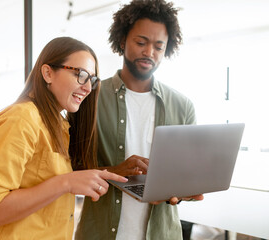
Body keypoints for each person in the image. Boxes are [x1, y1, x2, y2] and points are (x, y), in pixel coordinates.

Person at [0, 37, 127, 240]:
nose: (87, 88)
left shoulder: (58, 125)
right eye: (81, 75)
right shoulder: (20, 119)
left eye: (92, 80)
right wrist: (65, 183)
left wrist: (112, 173)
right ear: (48, 73)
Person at [75, 1, 204, 239]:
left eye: (158, 46)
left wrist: (180, 192)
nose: (149, 53)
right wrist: (113, 172)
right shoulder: (88, 97)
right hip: (101, 232)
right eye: (141, 42)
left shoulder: (183, 106)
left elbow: (185, 174)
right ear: (123, 40)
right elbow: (67, 168)